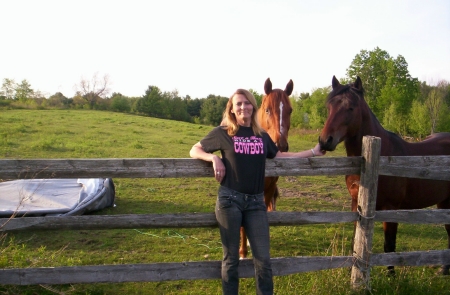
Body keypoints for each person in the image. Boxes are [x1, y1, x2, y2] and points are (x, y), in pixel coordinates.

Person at [189, 89, 326, 295]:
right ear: (232, 109)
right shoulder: (223, 132)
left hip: (255, 203)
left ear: (254, 106)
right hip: (230, 201)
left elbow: (281, 156)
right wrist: (213, 158)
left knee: (263, 259)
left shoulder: (261, 135)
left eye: (247, 103)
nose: (243, 107)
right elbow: (195, 150)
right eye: (238, 104)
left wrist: (313, 152)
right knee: (231, 259)